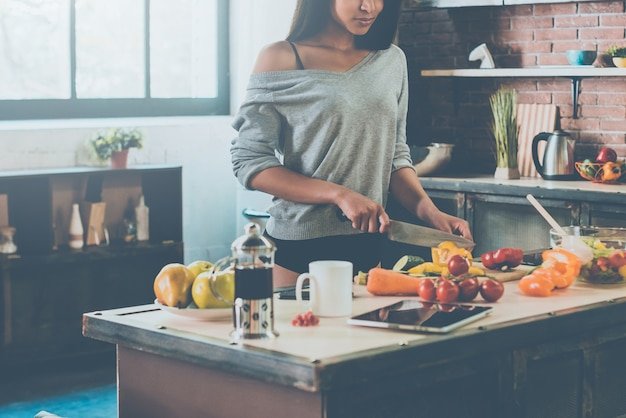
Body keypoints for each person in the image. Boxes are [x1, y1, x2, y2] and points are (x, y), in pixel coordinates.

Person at [231, 0, 471, 288]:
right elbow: (250, 161)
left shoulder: (391, 60)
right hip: (297, 249)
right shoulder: (281, 57)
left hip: (368, 248)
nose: (369, 7)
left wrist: (430, 213)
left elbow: (395, 155)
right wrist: (340, 195)